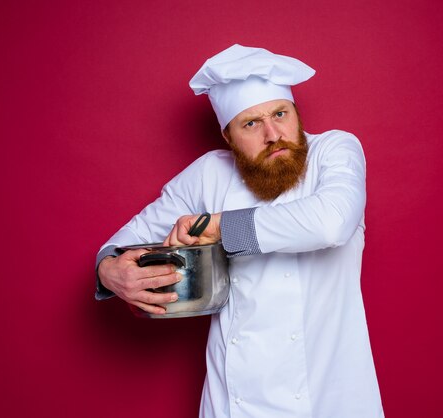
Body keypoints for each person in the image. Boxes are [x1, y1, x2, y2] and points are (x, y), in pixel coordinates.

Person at [95, 44, 384, 418]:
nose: (273, 133)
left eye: (280, 114)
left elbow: (330, 223)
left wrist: (216, 227)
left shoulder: (334, 150)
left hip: (328, 397)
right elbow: (123, 242)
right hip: (233, 401)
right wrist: (109, 271)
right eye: (251, 123)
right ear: (229, 138)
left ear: (295, 114)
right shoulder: (209, 173)